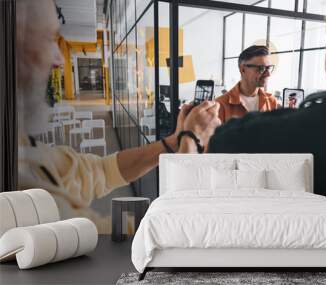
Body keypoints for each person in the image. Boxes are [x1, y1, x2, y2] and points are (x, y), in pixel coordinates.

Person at [181, 0, 326, 233]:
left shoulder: (249, 128)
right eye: (259, 68)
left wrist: (188, 136)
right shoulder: (221, 108)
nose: (265, 73)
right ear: (242, 69)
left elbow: (193, 201)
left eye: (268, 68)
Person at [16, 0, 220, 233]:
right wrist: (191, 140)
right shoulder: (19, 191)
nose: (58, 60)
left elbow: (98, 171)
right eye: (48, 39)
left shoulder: (25, 151)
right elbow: (171, 233)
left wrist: (173, 141)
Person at [216, 45, 278, 123]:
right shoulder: (220, 105)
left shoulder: (271, 102)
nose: (268, 74)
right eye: (261, 68)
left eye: (268, 68)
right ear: (243, 69)